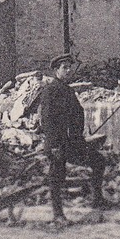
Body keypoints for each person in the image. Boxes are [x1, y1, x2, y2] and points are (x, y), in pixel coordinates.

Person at [28, 53, 109, 223]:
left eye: (69, 67)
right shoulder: (50, 91)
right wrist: (54, 145)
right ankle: (58, 214)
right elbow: (47, 120)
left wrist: (81, 137)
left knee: (98, 161)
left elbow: (76, 115)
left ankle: (97, 199)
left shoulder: (68, 90)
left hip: (72, 143)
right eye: (64, 67)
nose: (68, 70)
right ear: (56, 70)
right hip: (57, 143)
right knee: (57, 175)